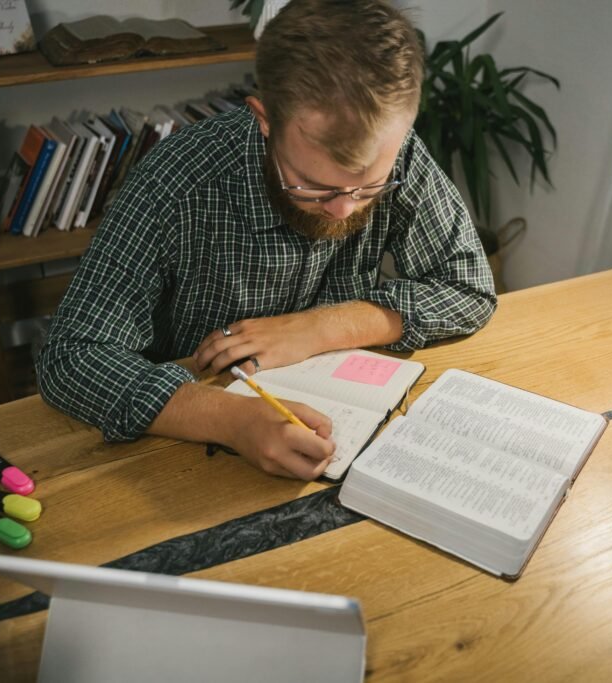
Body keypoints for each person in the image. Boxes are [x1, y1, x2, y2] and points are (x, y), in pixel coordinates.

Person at [37, 0, 497, 480]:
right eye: (314, 185)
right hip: (181, 451)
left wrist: (320, 328)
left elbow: (468, 287)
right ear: (265, 119)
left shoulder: (398, 154)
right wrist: (230, 420)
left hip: (342, 422)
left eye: (369, 188)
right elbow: (72, 356)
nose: (344, 210)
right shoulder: (176, 181)